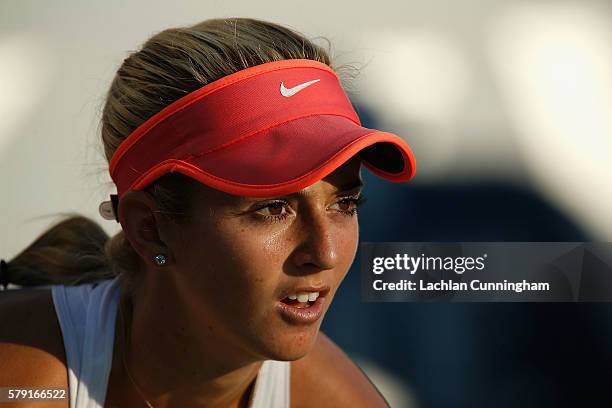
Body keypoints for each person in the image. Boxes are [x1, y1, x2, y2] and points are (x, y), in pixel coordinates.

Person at [0, 17, 415, 408]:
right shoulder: (22, 380)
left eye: (344, 203)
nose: (324, 252)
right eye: (273, 208)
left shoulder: (333, 399)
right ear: (150, 229)